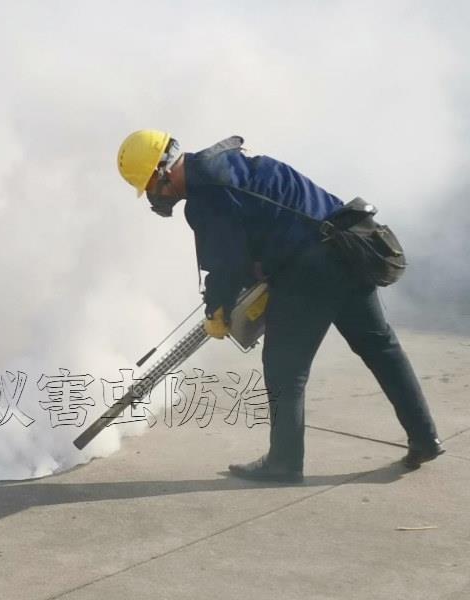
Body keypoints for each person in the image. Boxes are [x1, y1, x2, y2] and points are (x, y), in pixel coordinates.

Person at [116, 130, 443, 482]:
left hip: (311, 268)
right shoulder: (227, 162)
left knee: (285, 368)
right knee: (381, 347)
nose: (155, 197)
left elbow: (228, 264)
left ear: (161, 173)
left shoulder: (206, 196)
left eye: (150, 188)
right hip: (348, 245)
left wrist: (218, 309)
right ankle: (425, 437)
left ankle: (285, 462)